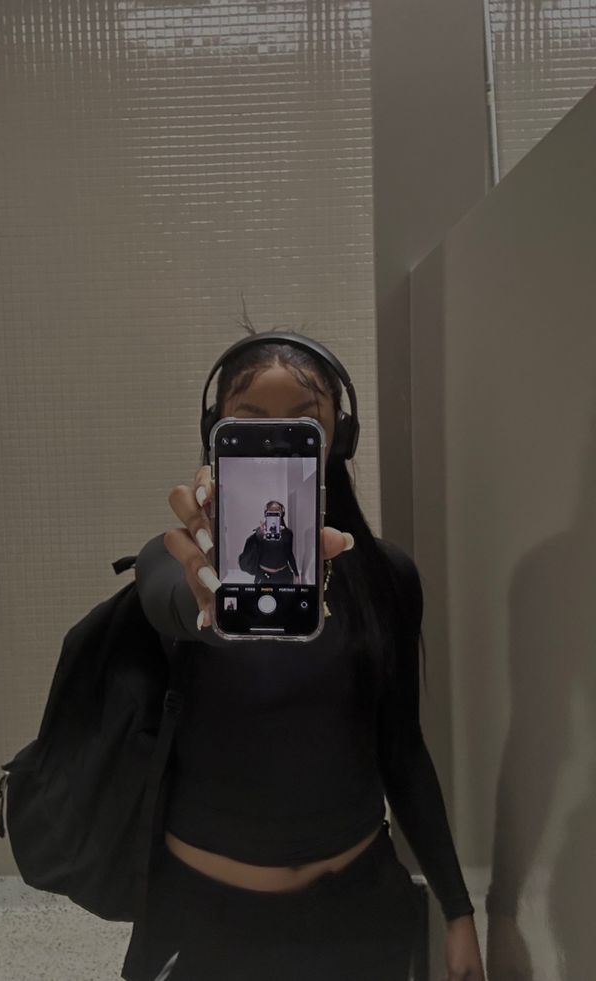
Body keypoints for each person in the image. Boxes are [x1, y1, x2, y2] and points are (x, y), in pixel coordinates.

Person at [121, 327, 485, 981]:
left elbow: (401, 747)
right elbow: (174, 599)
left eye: (302, 422)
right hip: (206, 927)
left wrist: (458, 910)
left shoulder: (386, 577)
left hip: (357, 915)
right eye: (250, 421)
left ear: (336, 440)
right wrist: (213, 604)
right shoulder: (172, 560)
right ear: (216, 432)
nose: (275, 439)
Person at [238, 500, 301, 584]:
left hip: (284, 576)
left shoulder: (288, 533)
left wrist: (296, 574)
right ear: (266, 513)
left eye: (277, 509)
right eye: (271, 509)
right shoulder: (260, 533)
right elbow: (248, 551)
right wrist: (257, 536)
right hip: (263, 576)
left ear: (281, 513)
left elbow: (289, 554)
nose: (274, 511)